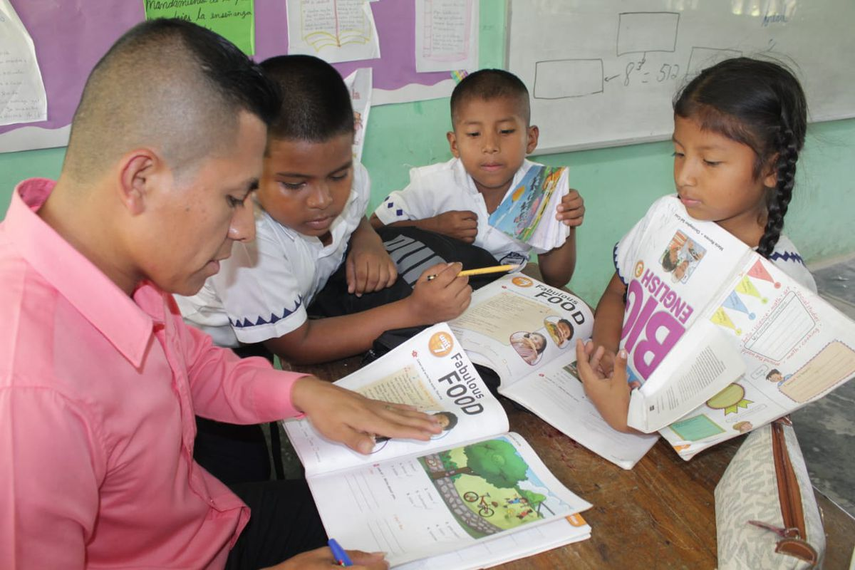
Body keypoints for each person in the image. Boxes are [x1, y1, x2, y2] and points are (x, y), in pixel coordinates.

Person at [0, 19, 442, 569]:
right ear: (141, 180)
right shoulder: (28, 395)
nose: (244, 231)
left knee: (421, 509)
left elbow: (198, 369)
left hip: (207, 525)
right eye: (234, 199)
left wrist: (304, 394)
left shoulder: (116, 266)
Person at [176, 55, 473, 367]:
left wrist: (366, 240)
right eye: (293, 184)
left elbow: (356, 213)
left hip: (280, 314)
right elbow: (297, 344)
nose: (322, 200)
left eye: (337, 176)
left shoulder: (352, 175)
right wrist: (415, 311)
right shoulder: (247, 242)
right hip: (209, 350)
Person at [575, 57, 818, 432]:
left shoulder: (782, 283)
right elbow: (617, 294)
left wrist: (631, 420)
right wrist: (608, 355)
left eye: (711, 161)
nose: (685, 175)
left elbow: (743, 407)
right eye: (679, 153)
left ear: (772, 168)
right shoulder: (667, 219)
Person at [368, 69, 585, 288]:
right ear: (454, 144)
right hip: (437, 295)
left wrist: (566, 223)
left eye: (506, 131)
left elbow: (556, 278)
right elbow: (375, 227)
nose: (490, 146)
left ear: (530, 138)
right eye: (474, 134)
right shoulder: (432, 183)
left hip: (506, 295)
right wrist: (433, 226)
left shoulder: (540, 187)